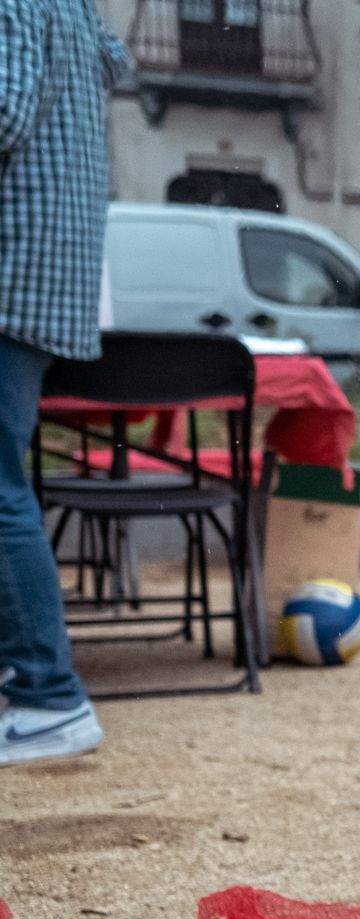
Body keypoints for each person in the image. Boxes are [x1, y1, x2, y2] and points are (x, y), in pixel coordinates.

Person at [0, 0, 124, 767]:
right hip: (49, 275)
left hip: (8, 270)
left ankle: (47, 694)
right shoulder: (68, 9)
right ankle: (35, 684)